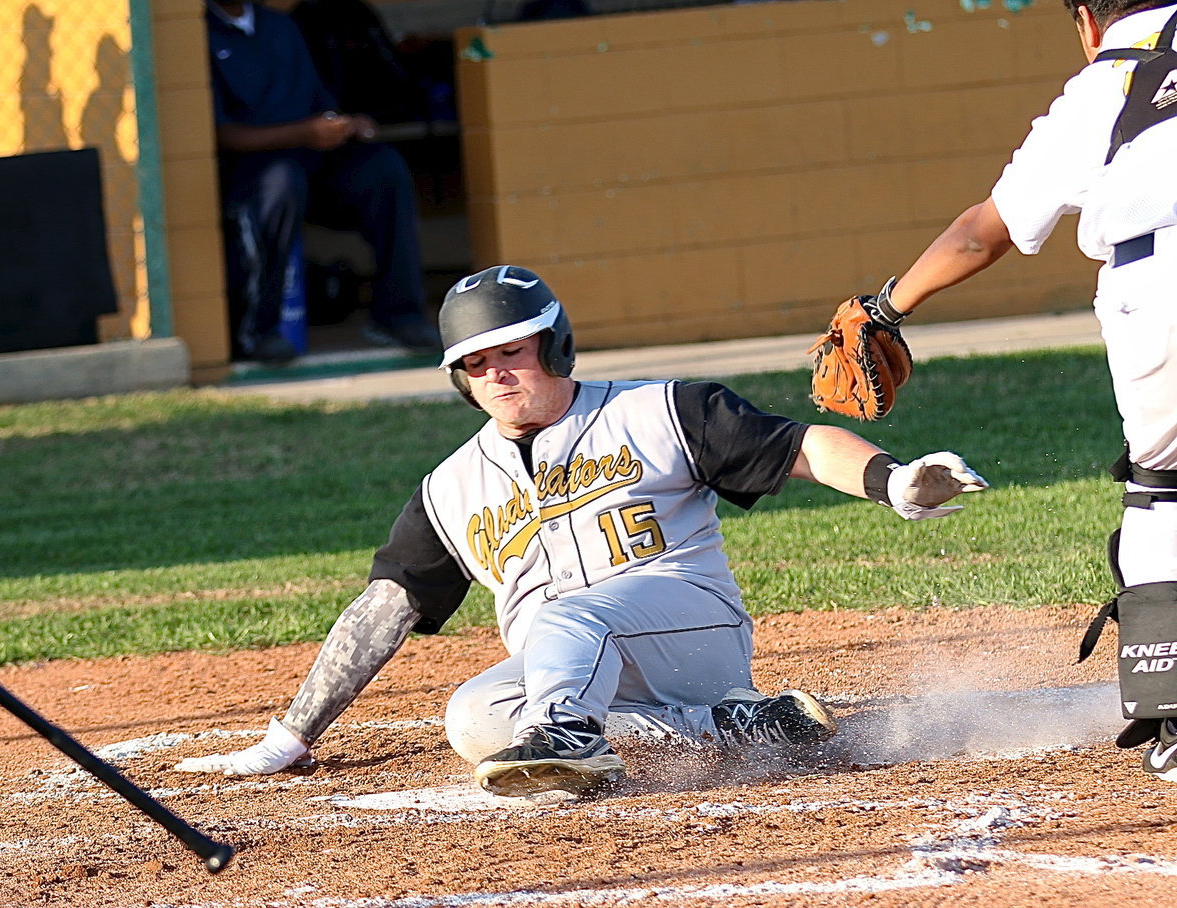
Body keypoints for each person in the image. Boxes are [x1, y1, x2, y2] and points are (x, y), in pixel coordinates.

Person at [176, 264, 987, 798]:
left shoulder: (658, 411)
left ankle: (574, 729)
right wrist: (291, 735)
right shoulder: (451, 486)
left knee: (571, 610)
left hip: (686, 627)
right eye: (474, 363)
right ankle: (741, 726)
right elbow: (387, 605)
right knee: (472, 717)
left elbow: (798, 446)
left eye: (511, 350)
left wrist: (891, 479)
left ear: (554, 342)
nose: (495, 372)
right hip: (581, 671)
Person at [825, 0, 1177, 778]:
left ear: (1088, 20)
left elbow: (982, 231)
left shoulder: (1104, 83)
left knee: (1165, 488)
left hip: (1156, 286)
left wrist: (886, 309)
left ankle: (1174, 709)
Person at [204, 0, 440, 364]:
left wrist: (345, 124)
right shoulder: (200, 30)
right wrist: (303, 133)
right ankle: (256, 332)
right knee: (280, 181)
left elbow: (319, 105)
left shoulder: (280, 26)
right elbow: (221, 135)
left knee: (383, 170)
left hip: (311, 161)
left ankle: (399, 315)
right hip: (250, 174)